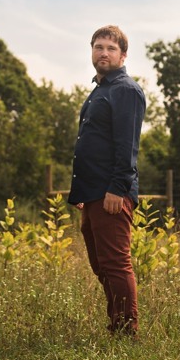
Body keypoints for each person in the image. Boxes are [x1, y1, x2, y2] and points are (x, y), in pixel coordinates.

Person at [68, 25, 146, 336]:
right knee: (101, 265)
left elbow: (127, 145)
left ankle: (126, 333)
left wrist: (117, 188)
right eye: (99, 47)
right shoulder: (100, 90)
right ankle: (117, 325)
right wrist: (83, 192)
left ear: (123, 55)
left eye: (111, 48)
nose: (104, 53)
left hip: (111, 192)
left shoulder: (125, 90)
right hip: (92, 192)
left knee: (115, 264)